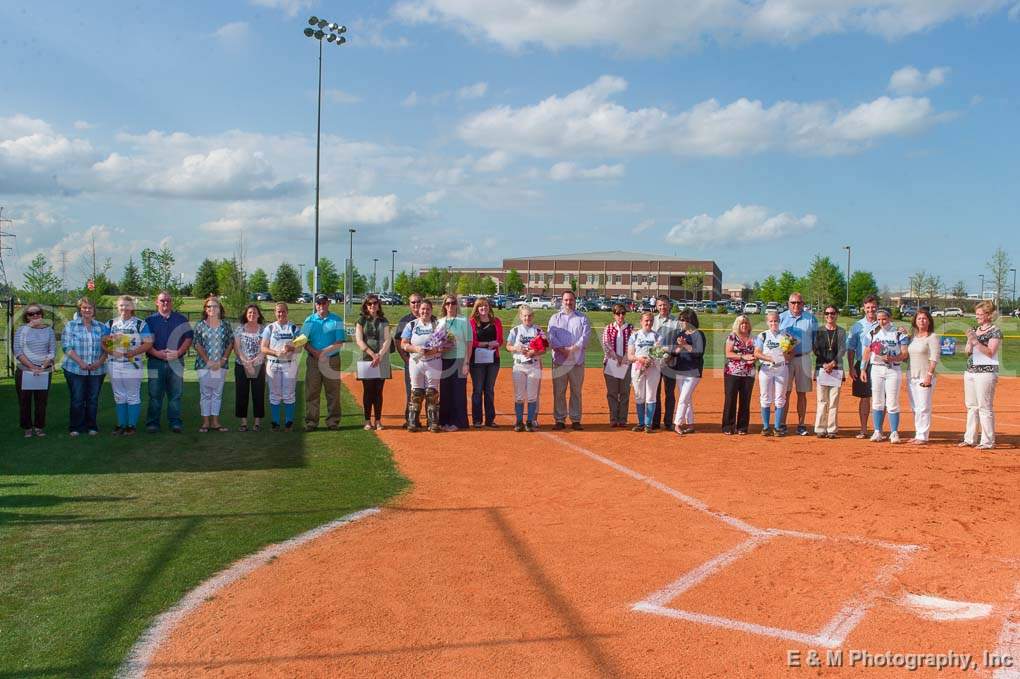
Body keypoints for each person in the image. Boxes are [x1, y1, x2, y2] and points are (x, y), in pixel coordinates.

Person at [145, 291, 193, 433]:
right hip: (155, 362)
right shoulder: (149, 321)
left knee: (176, 394)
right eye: (162, 300)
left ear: (171, 302)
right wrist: (156, 353)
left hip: (176, 362)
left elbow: (188, 338)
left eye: (168, 300)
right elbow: (145, 341)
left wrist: (178, 353)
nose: (165, 303)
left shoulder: (181, 319)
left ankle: (175, 422)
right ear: (156, 302)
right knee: (154, 394)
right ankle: (153, 423)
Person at [105, 295, 153, 436]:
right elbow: (104, 341)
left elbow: (148, 343)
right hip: (114, 364)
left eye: (127, 305)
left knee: (132, 395)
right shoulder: (110, 323)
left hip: (133, 365)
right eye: (121, 305)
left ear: (132, 307)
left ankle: (131, 425)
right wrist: (112, 349)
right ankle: (121, 424)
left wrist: (133, 352)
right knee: (119, 395)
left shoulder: (140, 324)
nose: (124, 308)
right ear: (117, 307)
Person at [62, 297, 109, 437]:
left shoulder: (102, 327)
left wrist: (99, 362)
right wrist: (81, 362)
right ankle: (75, 427)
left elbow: (108, 348)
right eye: (84, 307)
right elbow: (67, 347)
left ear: (94, 310)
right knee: (77, 399)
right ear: (80, 309)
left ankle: (91, 426)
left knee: (92, 399)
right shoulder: (71, 326)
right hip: (75, 368)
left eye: (90, 307)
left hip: (97, 369)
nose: (87, 310)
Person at [861, 308, 909, 443]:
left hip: (893, 369)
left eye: (884, 319)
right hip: (876, 369)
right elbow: (866, 352)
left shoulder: (899, 333)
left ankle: (894, 432)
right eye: (879, 319)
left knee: (892, 401)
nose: (881, 322)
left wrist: (892, 358)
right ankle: (877, 431)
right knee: (877, 401)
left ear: (890, 319)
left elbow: (905, 354)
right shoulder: (872, 333)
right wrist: (863, 369)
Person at [301, 294, 346, 431]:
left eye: (324, 303)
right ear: (315, 305)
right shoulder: (309, 320)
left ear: (328, 304)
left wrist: (323, 353)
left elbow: (339, 342)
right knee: (312, 392)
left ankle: (333, 421)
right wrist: (316, 353)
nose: (321, 306)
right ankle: (311, 422)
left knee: (333, 392)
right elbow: (304, 341)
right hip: (314, 360)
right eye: (318, 303)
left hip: (331, 360)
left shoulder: (336, 319)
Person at [960, 300, 1001, 450]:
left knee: (985, 407)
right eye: (976, 314)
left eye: (980, 314)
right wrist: (970, 341)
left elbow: (990, 352)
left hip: (986, 372)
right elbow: (967, 352)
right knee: (971, 406)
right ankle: (970, 438)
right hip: (970, 371)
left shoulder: (995, 331)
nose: (977, 316)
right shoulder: (976, 330)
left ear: (989, 315)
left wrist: (975, 341)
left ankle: (987, 441)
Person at [548, 291, 591, 430]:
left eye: (571, 300)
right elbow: (551, 336)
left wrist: (572, 349)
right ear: (562, 301)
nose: (568, 302)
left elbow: (585, 337)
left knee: (576, 391)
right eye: (566, 300)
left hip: (576, 361)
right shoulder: (555, 318)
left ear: (575, 301)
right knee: (559, 391)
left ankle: (576, 419)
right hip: (559, 360)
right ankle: (560, 419)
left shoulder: (582, 318)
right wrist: (562, 349)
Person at [778, 292, 818, 436]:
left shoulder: (810, 318)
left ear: (803, 304)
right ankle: (781, 423)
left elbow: (815, 341)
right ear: (788, 303)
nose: (796, 305)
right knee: (784, 393)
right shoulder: (781, 318)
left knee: (802, 393)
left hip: (803, 358)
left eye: (799, 303)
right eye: (793, 302)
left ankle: (801, 424)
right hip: (786, 360)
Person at [193, 296, 234, 433]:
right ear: (205, 309)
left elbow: (230, 343)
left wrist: (222, 360)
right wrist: (208, 361)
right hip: (204, 365)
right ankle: (205, 423)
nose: (211, 309)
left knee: (217, 394)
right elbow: (196, 344)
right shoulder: (200, 325)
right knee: (205, 394)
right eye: (208, 306)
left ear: (219, 309)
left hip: (220, 365)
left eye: (214, 306)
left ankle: (215, 422)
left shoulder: (225, 325)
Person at [14, 303, 56, 438]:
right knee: (24, 400)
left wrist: (43, 367)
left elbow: (52, 350)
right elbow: (18, 351)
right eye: (31, 314)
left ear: (42, 314)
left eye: (37, 312)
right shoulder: (21, 330)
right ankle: (27, 427)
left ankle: (39, 427)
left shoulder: (49, 330)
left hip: (44, 370)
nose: (35, 315)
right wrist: (32, 367)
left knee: (41, 401)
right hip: (25, 369)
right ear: (26, 317)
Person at [401, 299, 443, 432]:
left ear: (431, 311)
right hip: (416, 361)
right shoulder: (411, 325)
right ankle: (413, 421)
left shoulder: (437, 325)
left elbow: (445, 343)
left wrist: (435, 350)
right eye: (422, 309)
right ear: (419, 310)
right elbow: (403, 344)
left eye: (428, 309)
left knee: (432, 392)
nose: (425, 311)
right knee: (417, 391)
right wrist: (416, 349)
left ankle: (432, 422)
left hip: (433, 361)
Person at [261, 302, 300, 432]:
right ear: (275, 312)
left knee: (289, 394)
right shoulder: (270, 328)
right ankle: (275, 422)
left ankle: (289, 422)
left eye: (283, 311)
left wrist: (292, 347)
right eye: (278, 311)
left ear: (287, 312)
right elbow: (263, 348)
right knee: (274, 394)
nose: (281, 314)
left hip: (289, 364)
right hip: (273, 364)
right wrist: (275, 352)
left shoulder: (293, 328)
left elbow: (300, 347)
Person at [506, 305, 545, 432]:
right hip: (519, 366)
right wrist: (516, 348)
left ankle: (529, 421)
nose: (527, 318)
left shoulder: (538, 330)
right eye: (524, 315)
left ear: (532, 316)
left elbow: (544, 348)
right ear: (520, 316)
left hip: (533, 365)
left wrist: (534, 352)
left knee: (532, 396)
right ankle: (518, 422)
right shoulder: (515, 330)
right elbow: (508, 346)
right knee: (519, 396)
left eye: (529, 315)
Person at [355, 294, 392, 431]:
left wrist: (380, 355)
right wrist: (372, 354)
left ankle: (378, 420)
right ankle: (367, 420)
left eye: (375, 303)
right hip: (366, 359)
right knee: (368, 391)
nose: (372, 306)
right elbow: (359, 340)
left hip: (381, 359)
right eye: (369, 304)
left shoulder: (384, 320)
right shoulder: (361, 320)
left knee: (378, 391)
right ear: (365, 305)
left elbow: (388, 340)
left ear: (378, 305)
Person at [846, 296, 880, 438]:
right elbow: (851, 348)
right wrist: (852, 367)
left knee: (880, 398)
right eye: (868, 307)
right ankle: (864, 429)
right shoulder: (857, 326)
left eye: (873, 307)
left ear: (877, 307)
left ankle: (878, 430)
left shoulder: (884, 324)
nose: (871, 310)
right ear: (864, 308)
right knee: (864, 398)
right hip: (862, 365)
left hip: (880, 364)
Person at [754, 310, 792, 437]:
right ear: (767, 322)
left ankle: (777, 427)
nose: (773, 323)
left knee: (780, 398)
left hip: (781, 368)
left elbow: (790, 355)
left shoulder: (786, 335)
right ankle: (765, 427)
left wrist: (786, 354)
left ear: (779, 321)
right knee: (765, 398)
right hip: (766, 368)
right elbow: (757, 353)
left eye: (776, 321)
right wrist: (769, 358)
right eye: (771, 321)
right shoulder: (762, 336)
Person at [438, 294, 472, 432]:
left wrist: (466, 362)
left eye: (453, 303)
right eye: (447, 303)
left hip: (459, 359)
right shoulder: (440, 322)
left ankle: (459, 422)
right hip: (444, 360)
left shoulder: (464, 321)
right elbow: (435, 341)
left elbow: (469, 343)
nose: (450, 306)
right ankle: (444, 421)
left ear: (457, 305)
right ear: (444, 306)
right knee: (445, 392)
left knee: (458, 392)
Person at [812, 305, 847, 438]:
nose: (829, 315)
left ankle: (832, 428)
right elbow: (816, 350)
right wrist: (825, 364)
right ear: (824, 315)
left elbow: (842, 349)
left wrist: (833, 363)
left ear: (836, 314)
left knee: (833, 401)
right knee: (822, 400)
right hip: (822, 368)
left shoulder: (842, 331)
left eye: (832, 313)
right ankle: (820, 428)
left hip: (836, 369)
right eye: (827, 313)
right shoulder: (819, 331)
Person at [906, 308, 939, 445]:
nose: (922, 321)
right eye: (919, 318)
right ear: (915, 321)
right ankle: (918, 433)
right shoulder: (912, 337)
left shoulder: (932, 337)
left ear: (929, 321)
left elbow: (934, 357)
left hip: (925, 375)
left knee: (924, 407)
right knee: (915, 407)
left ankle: (923, 435)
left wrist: (929, 375)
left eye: (924, 318)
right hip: (912, 375)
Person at [469, 297, 503, 428]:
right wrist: (486, 344)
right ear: (477, 308)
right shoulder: (472, 322)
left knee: (489, 389)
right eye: (481, 306)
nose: (484, 308)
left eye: (486, 306)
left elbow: (500, 340)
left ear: (490, 308)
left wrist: (495, 343)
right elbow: (472, 342)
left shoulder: (496, 321)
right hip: (477, 361)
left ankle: (490, 419)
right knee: (477, 389)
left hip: (493, 360)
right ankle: (477, 420)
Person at [671, 308, 706, 435]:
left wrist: (685, 345)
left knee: (683, 398)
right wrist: (679, 347)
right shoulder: (680, 334)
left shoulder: (698, 334)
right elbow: (674, 353)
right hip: (680, 370)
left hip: (693, 372)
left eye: (683, 320)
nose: (680, 322)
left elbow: (699, 353)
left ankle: (677, 424)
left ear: (690, 321)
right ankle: (690, 424)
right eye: (680, 319)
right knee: (687, 399)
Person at [234, 303, 266, 432]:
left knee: (258, 394)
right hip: (241, 365)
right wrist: (245, 361)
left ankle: (257, 422)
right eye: (249, 313)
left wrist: (255, 361)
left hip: (258, 365)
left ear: (258, 315)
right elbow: (237, 347)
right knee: (242, 394)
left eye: (254, 312)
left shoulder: (264, 330)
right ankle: (243, 422)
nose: (252, 315)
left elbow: (264, 347)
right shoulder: (239, 329)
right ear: (246, 315)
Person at [722, 314, 756, 435]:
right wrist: (743, 357)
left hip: (748, 373)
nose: (744, 325)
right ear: (737, 325)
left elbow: (757, 353)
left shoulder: (753, 338)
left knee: (745, 400)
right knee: (730, 399)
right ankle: (728, 426)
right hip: (732, 372)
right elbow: (728, 353)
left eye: (746, 323)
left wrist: (754, 358)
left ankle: (742, 427)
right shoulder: (732, 337)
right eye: (742, 323)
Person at [627, 311, 661, 433]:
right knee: (639, 396)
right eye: (646, 320)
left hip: (653, 368)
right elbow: (630, 355)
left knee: (651, 395)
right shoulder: (634, 336)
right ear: (641, 322)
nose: (649, 323)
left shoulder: (657, 336)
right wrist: (639, 359)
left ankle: (648, 424)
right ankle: (641, 423)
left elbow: (659, 353)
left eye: (651, 321)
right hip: (637, 368)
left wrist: (650, 360)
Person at [651, 296, 681, 430]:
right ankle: (655, 421)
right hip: (655, 362)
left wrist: (671, 355)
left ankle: (668, 421)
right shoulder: (652, 321)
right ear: (656, 306)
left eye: (665, 305)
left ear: (669, 306)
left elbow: (679, 341)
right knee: (654, 392)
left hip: (670, 361)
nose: (663, 307)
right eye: (660, 305)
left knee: (669, 393)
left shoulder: (676, 322)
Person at [395, 293, 424, 429]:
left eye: (418, 302)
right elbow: (398, 341)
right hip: (412, 362)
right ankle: (411, 419)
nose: (416, 305)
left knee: (430, 392)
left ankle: (431, 419)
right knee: (412, 391)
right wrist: (406, 359)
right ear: (409, 304)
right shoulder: (405, 320)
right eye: (413, 302)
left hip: (430, 362)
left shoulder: (432, 319)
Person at [601, 304, 633, 428]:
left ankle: (623, 419)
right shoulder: (608, 328)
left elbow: (633, 344)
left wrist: (624, 357)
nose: (620, 316)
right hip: (611, 363)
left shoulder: (630, 328)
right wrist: (616, 358)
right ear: (614, 314)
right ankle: (614, 418)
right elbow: (606, 344)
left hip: (626, 363)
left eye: (623, 313)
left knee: (625, 392)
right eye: (618, 313)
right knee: (613, 392)